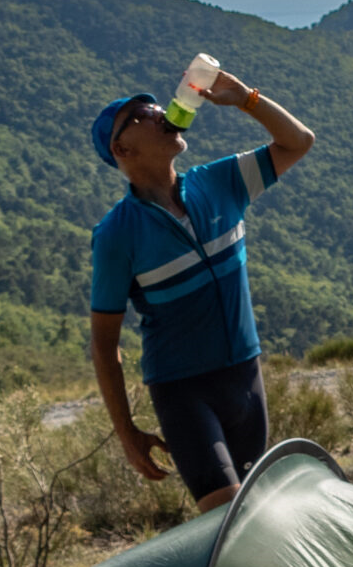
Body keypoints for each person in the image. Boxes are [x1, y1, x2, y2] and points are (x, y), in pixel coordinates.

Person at [86, 70, 314, 512]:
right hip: (183, 391)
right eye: (140, 115)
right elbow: (103, 343)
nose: (158, 113)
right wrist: (127, 433)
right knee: (230, 519)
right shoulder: (116, 235)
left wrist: (247, 98)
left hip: (246, 378)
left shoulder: (219, 182)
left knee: (257, 516)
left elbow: (298, 142)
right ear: (122, 149)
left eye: (155, 107)